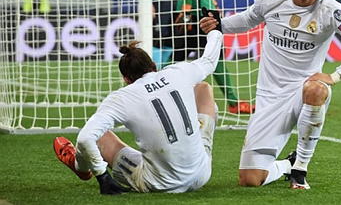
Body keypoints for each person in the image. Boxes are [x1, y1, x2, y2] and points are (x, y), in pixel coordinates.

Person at [200, 0, 341, 189]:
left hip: (302, 92)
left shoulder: (331, 11)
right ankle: (287, 164)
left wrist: (334, 76)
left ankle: (300, 170)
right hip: (269, 97)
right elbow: (248, 19)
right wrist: (219, 25)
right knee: (250, 180)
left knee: (317, 88)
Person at [53, 29, 223, 194]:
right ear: (154, 66)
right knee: (203, 89)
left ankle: (81, 168)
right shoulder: (178, 72)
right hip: (202, 173)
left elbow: (85, 138)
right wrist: (215, 30)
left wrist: (102, 176)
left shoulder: (122, 97)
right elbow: (209, 60)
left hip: (161, 184)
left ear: (126, 79)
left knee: (99, 136)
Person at [174, 0, 255, 114]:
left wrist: (211, 0)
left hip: (202, 6)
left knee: (179, 55)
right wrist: (186, 4)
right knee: (210, 54)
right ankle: (233, 102)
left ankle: (149, 90)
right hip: (197, 11)